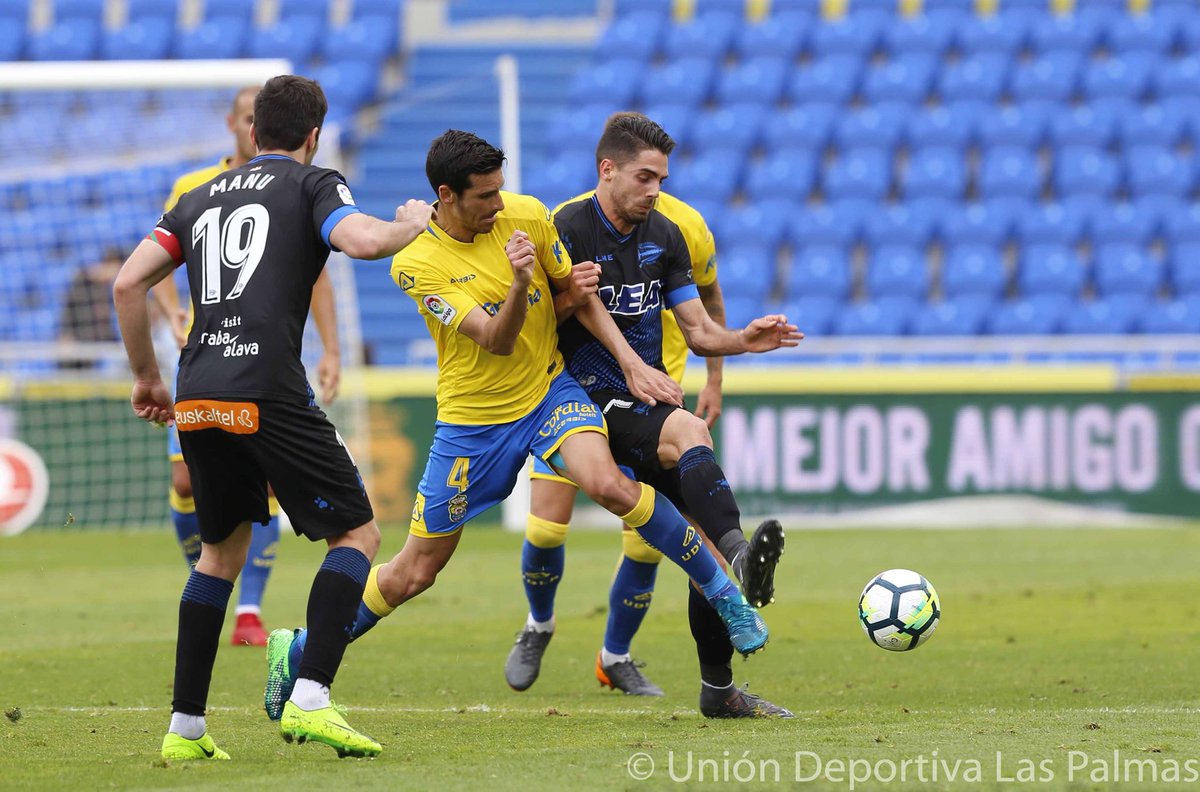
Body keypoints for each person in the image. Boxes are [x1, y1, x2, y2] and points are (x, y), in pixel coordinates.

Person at [264, 130, 775, 717]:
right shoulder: (416, 263)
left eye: (501, 191)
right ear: (447, 196)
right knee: (414, 572)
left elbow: (578, 297)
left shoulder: (529, 214)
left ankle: (723, 593)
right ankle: (300, 650)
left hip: (550, 392)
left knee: (608, 484)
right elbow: (496, 339)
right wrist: (518, 284)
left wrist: (631, 363)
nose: (500, 206)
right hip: (472, 423)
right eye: (485, 197)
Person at [114, 74, 434, 761]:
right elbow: (362, 242)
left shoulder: (196, 198)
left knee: (218, 555)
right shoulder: (311, 184)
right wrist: (408, 225)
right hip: (265, 388)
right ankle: (312, 695)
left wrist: (146, 375)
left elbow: (127, 283)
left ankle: (185, 728)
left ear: (251, 132)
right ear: (313, 138)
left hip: (198, 389)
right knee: (356, 533)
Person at [505, 112, 801, 718]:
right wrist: (570, 298)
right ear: (607, 170)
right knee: (549, 527)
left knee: (705, 555)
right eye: (645, 177)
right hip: (574, 400)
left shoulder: (665, 236)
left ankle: (719, 686)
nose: (655, 190)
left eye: (661, 179)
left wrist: (743, 340)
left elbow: (696, 330)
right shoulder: (564, 227)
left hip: (639, 400)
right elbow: (533, 323)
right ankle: (539, 622)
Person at [151, 85, 343, 647]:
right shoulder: (196, 188)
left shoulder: (300, 188)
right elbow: (153, 263)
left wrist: (330, 348)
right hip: (200, 343)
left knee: (267, 482)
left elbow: (320, 272)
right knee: (187, 480)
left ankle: (250, 608)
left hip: (263, 352)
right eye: (243, 116)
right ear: (237, 124)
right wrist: (171, 315)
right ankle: (211, 577)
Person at [58, 247, 123, 368]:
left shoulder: (110, 290)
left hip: (99, 343)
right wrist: (66, 335)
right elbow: (69, 309)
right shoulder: (83, 281)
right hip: (79, 340)